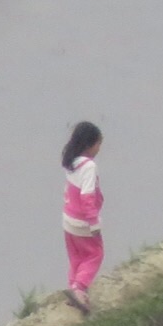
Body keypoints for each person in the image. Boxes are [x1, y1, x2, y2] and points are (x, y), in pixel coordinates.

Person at [61, 121, 104, 315]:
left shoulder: (72, 163)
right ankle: (79, 289)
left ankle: (73, 287)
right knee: (95, 254)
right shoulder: (89, 166)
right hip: (82, 222)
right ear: (90, 144)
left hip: (68, 220)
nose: (99, 149)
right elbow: (87, 197)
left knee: (76, 257)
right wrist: (93, 222)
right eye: (98, 144)